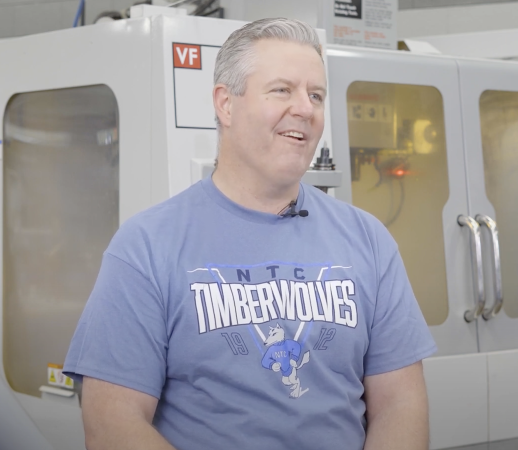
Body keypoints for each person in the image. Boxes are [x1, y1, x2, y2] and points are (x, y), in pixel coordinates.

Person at [64, 17, 436, 450]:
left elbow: (400, 406)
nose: (305, 108)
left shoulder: (368, 239)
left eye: (316, 95)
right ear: (225, 103)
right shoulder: (148, 246)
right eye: (282, 90)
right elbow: (111, 425)